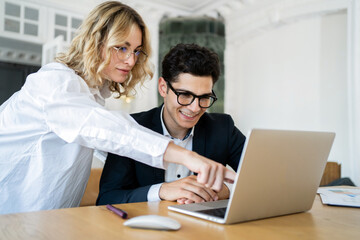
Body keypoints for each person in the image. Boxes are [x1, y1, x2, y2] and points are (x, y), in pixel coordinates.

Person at [0, 2, 235, 214]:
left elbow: (117, 146)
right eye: (121, 47)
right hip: (11, 214)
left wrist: (225, 185)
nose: (131, 61)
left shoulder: (92, 98)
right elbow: (115, 133)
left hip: (48, 219)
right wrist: (189, 158)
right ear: (96, 41)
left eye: (136, 51)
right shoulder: (54, 83)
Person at [96, 43, 246, 205]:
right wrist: (162, 190)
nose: (194, 108)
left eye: (204, 97)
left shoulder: (223, 128)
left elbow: (262, 179)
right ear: (163, 88)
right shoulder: (132, 127)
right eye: (185, 95)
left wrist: (225, 191)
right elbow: (106, 199)